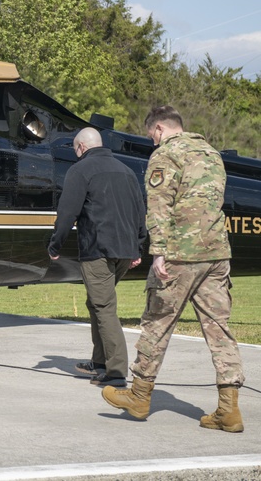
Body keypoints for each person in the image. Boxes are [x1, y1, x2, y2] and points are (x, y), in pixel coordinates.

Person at [102, 105, 245, 433]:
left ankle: (139, 397)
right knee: (218, 329)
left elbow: (159, 206)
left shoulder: (165, 155)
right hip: (216, 253)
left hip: (181, 253)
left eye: (152, 135)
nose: (152, 142)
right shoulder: (211, 153)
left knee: (157, 323)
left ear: (159, 129)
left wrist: (160, 253)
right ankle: (229, 410)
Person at [48, 127, 146, 388]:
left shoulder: (79, 170)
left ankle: (115, 372)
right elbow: (140, 211)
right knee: (96, 302)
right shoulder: (126, 171)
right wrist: (138, 246)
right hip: (125, 251)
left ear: (80, 148)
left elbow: (67, 212)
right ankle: (99, 361)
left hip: (98, 251)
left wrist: (55, 245)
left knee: (104, 308)